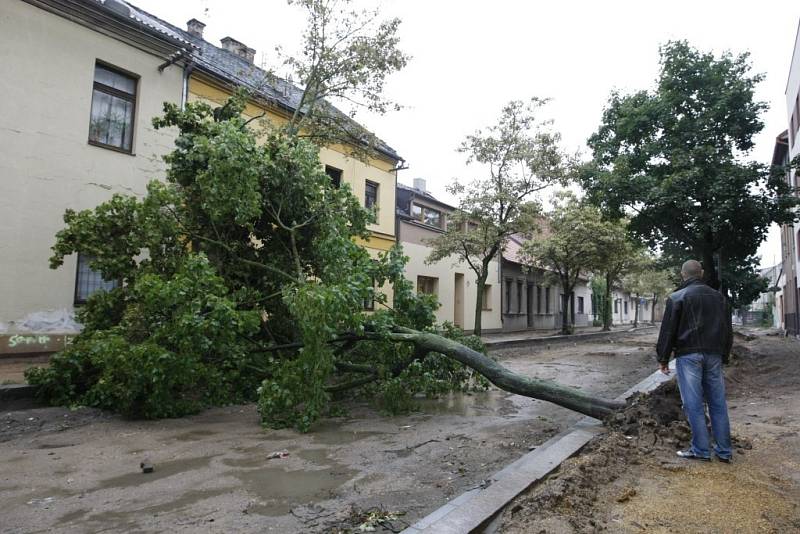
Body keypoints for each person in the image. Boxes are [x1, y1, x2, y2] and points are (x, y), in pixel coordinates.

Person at [656, 259, 733, 462]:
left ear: (683, 274)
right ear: (702, 273)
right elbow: (727, 329)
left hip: (688, 355)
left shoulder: (677, 297)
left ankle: (701, 450)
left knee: (693, 404)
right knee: (717, 403)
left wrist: (663, 358)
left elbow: (668, 331)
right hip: (714, 355)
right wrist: (724, 354)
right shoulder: (720, 298)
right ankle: (724, 451)